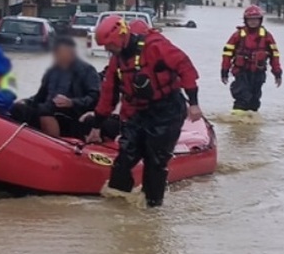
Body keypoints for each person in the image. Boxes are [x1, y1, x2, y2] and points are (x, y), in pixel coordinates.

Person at [81, 15, 201, 207]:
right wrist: (97, 125)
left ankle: (152, 209)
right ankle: (117, 205)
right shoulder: (117, 61)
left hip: (167, 111)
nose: (106, 49)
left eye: (109, 45)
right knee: (123, 159)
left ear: (120, 37)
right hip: (138, 113)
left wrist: (193, 103)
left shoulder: (155, 46)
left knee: (155, 163)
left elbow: (185, 67)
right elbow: (108, 93)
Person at [10, 36, 100, 138]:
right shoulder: (52, 71)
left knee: (45, 109)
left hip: (73, 112)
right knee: (19, 108)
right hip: (48, 108)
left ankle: (55, 144)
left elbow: (95, 97)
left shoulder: (87, 70)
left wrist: (71, 102)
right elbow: (40, 96)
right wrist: (26, 101)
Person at [220, 5, 282, 112]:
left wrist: (277, 73)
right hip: (241, 72)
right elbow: (227, 54)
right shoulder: (237, 35)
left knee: (254, 101)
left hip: (258, 74)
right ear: (246, 20)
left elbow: (274, 56)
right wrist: (224, 71)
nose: (253, 22)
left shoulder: (267, 37)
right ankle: (237, 125)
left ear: (260, 20)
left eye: (256, 19)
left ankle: (251, 125)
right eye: (250, 19)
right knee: (242, 98)